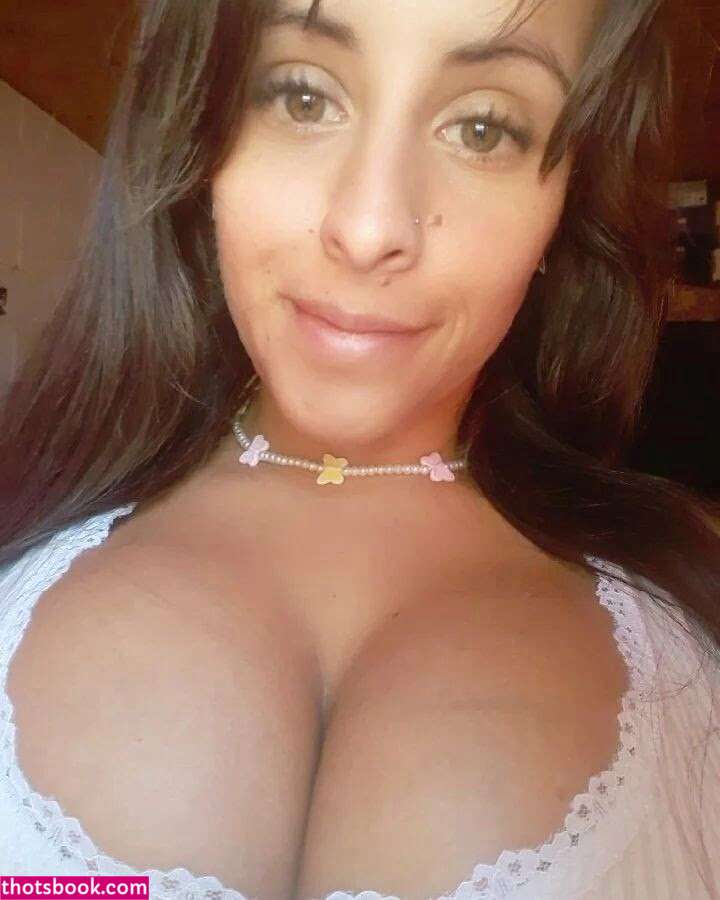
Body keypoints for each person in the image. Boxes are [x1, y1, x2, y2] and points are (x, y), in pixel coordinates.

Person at [0, 1, 719, 899]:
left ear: (566, 201)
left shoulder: (692, 610)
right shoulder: (25, 531)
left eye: (483, 128)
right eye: (302, 97)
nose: (370, 227)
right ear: (201, 139)